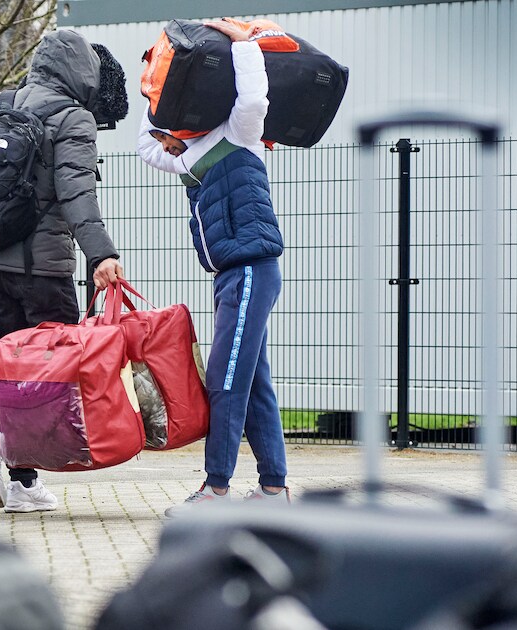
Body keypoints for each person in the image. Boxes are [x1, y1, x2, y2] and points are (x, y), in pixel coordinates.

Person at [0, 29, 125, 513]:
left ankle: (22, 482)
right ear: (81, 72)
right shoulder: (73, 117)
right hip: (45, 270)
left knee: (16, 373)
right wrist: (101, 255)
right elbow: (77, 192)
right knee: (57, 375)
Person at [136, 20, 290, 511]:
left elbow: (254, 102)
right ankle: (273, 490)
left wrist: (242, 46)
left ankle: (216, 488)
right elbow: (145, 147)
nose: (164, 145)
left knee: (224, 376)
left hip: (252, 270)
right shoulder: (185, 157)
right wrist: (156, 87)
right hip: (230, 276)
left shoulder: (239, 133)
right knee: (254, 383)